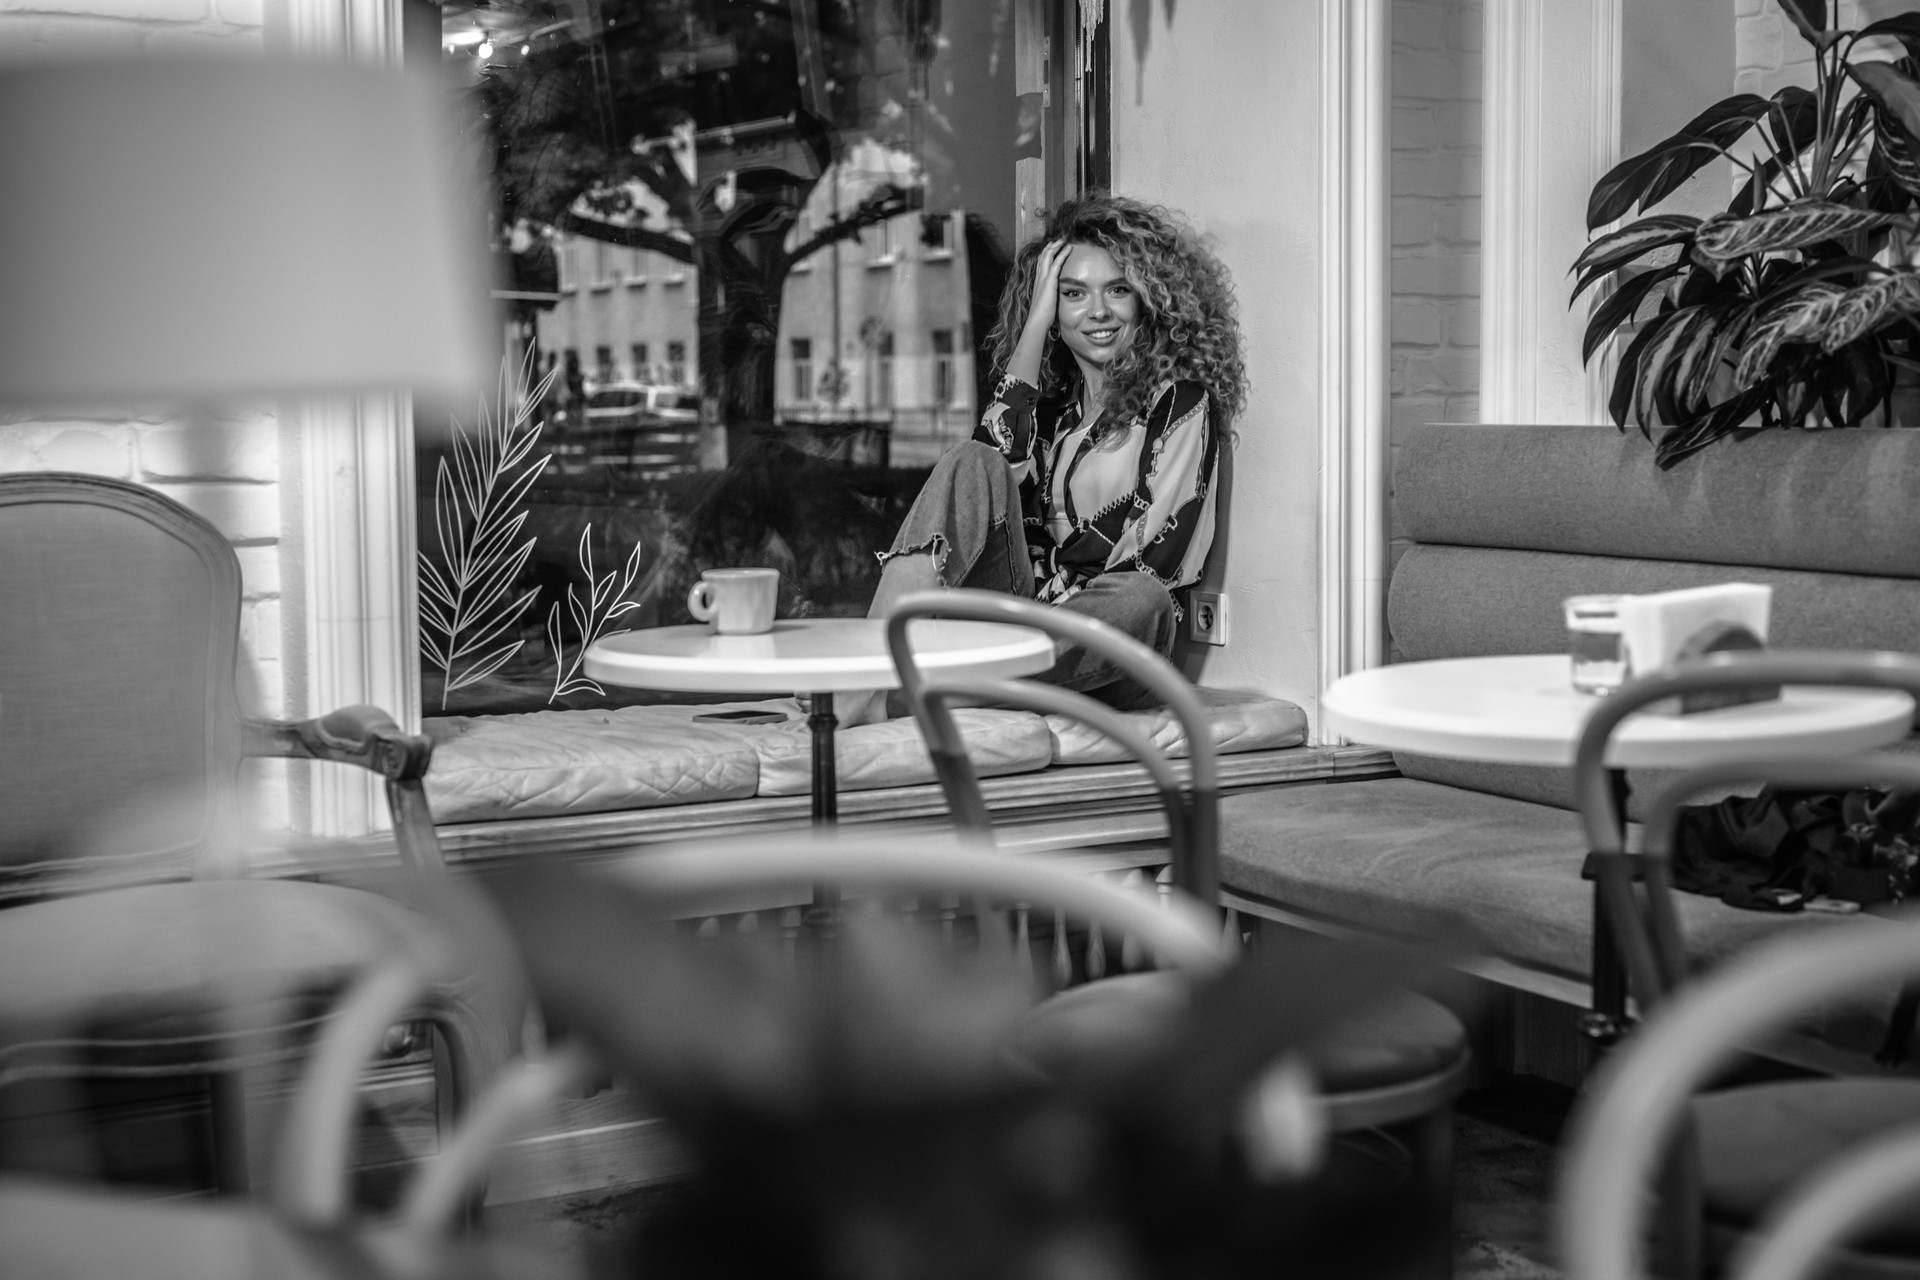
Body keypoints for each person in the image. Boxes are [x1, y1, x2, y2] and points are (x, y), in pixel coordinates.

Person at [843, 193, 1248, 725]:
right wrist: (1034, 325)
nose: (1097, 312)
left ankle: (925, 691)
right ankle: (866, 676)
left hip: (1110, 653)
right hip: (1024, 629)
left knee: (1139, 598)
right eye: (1073, 294)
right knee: (973, 461)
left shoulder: (1179, 404)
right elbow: (990, 466)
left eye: (1117, 290)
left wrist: (1056, 601)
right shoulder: (1052, 412)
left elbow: (1154, 557)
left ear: (1147, 301)